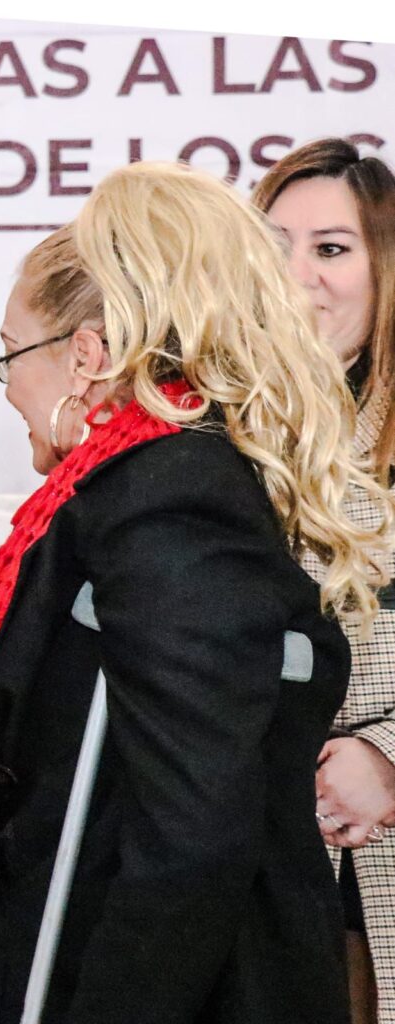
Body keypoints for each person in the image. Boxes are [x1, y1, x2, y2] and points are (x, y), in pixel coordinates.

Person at [0, 162, 392, 1024]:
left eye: (10, 354)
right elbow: (26, 696)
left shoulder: (172, 498)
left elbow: (192, 834)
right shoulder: (121, 488)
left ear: (84, 359)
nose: (6, 387)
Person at [253, 137, 395, 1024]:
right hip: (252, 857)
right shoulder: (209, 430)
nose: (296, 275)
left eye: (331, 248)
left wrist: (388, 760)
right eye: (274, 248)